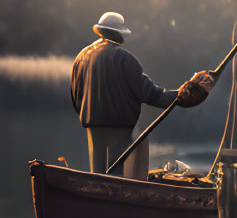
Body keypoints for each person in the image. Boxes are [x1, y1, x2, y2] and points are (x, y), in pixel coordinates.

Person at [69, 12, 214, 178]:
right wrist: (182, 95)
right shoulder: (124, 59)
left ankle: (95, 197)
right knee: (115, 174)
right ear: (118, 33)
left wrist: (86, 115)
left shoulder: (81, 58)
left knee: (98, 173)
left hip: (91, 124)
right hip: (119, 126)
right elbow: (152, 95)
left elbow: (75, 95)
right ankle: (114, 199)